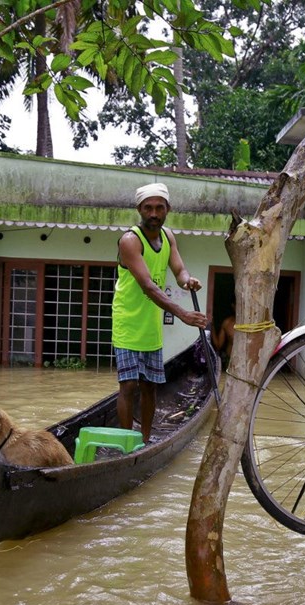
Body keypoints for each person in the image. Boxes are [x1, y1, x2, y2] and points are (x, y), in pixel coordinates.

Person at [112, 182, 208, 444]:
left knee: (150, 386)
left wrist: (188, 280)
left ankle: (143, 440)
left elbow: (179, 271)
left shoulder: (168, 237)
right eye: (148, 208)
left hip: (151, 324)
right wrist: (183, 314)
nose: (153, 213)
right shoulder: (130, 241)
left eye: (159, 208)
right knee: (129, 386)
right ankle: (124, 441)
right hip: (128, 322)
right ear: (139, 209)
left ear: (168, 209)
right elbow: (148, 286)